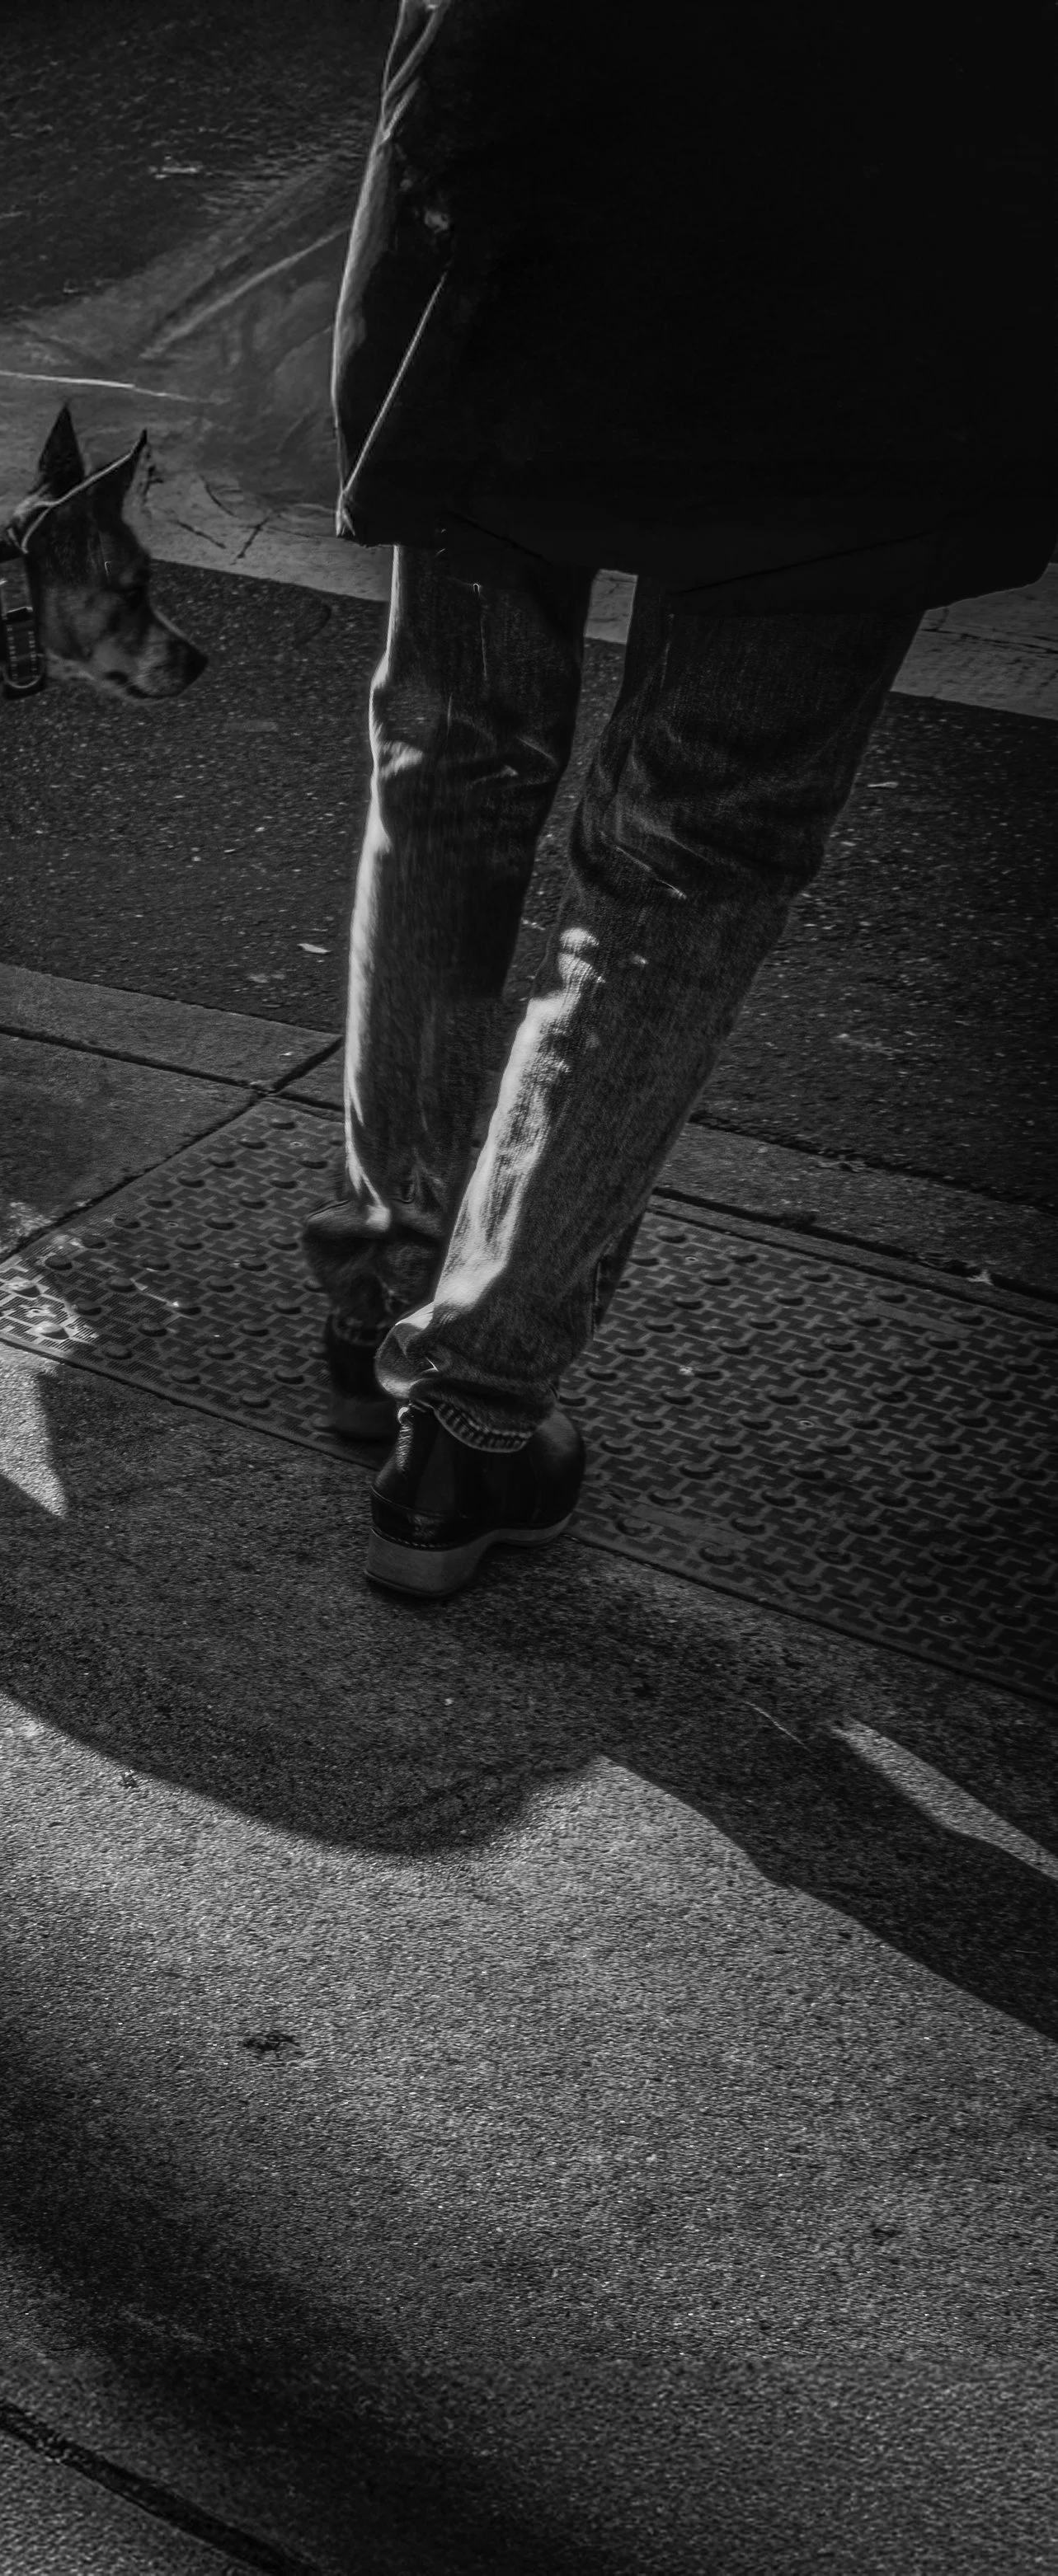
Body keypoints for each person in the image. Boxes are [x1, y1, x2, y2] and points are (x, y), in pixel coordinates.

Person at [301, 0, 1056, 1598]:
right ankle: (469, 1417)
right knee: (685, 845)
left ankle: (385, 1274)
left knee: (451, 744)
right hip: (871, 211)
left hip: (528, 137)